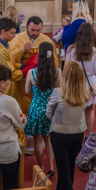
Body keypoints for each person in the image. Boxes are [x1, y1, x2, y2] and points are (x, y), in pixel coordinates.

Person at [47, 61, 89, 190]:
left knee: (64, 170)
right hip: (78, 134)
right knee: (69, 166)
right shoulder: (85, 92)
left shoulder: (58, 92)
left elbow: (48, 114)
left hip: (60, 134)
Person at [9, 16, 60, 113]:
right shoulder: (17, 38)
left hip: (41, 79)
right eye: (32, 30)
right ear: (27, 26)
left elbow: (54, 61)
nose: (35, 33)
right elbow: (10, 58)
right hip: (22, 78)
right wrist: (22, 50)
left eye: (38, 30)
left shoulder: (46, 40)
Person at [25, 42, 61, 177]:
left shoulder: (32, 72)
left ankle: (40, 167)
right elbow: (60, 91)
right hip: (51, 109)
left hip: (36, 108)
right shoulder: (58, 72)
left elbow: (27, 91)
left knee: (37, 140)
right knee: (48, 139)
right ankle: (51, 167)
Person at [65, 22, 96, 138]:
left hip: (75, 82)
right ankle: (88, 136)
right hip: (91, 82)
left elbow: (67, 69)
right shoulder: (95, 51)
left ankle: (77, 135)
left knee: (77, 110)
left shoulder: (71, 49)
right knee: (91, 109)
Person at [0, 18, 23, 106]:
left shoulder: (3, 44)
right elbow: (12, 74)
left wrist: (24, 65)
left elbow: (10, 63)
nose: (14, 36)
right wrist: (27, 71)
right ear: (3, 31)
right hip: (4, 89)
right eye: (12, 33)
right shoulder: (0, 51)